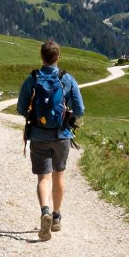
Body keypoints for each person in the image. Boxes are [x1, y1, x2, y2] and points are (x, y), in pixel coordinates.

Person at [17, 39, 85, 242]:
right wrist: (69, 114)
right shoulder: (67, 79)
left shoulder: (32, 79)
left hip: (38, 135)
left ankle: (44, 211)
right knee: (59, 177)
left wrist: (35, 117)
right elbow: (80, 109)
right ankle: (56, 218)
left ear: (42, 56)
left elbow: (21, 108)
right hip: (62, 135)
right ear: (58, 57)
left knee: (43, 178)